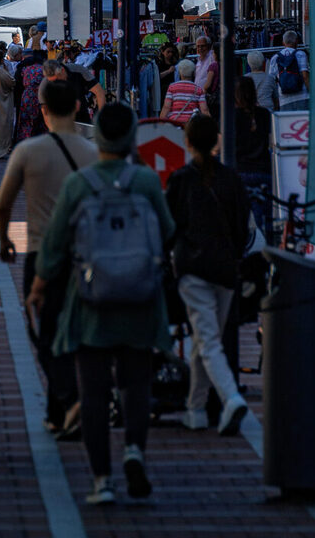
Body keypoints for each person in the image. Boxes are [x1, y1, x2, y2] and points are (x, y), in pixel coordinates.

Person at [27, 103, 175, 505]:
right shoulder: (145, 181)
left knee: (93, 391)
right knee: (136, 382)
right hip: (141, 298)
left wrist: (39, 286)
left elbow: (55, 244)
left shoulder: (80, 184)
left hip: (91, 298)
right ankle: (134, 451)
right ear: (130, 137)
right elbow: (167, 231)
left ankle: (102, 481)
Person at [0, 79, 98, 437]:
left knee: (44, 333)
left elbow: (3, 203)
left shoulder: (28, 150)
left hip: (42, 254)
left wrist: (5, 239)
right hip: (86, 256)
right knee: (80, 334)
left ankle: (67, 401)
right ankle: (62, 410)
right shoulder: (93, 153)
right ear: (77, 108)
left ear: (42, 111)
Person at [166, 115, 250, 436]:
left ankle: (230, 398)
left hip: (193, 270)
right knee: (206, 338)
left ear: (187, 142)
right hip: (226, 270)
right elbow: (243, 227)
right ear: (216, 139)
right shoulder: (232, 180)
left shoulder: (181, 180)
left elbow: (169, 226)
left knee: (207, 339)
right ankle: (196, 409)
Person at [234, 75, 272, 234]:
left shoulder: (231, 116)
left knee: (238, 219)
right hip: (263, 170)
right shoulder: (264, 114)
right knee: (265, 219)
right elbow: (270, 141)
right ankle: (271, 250)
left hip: (240, 171)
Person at [268, 30, 310, 111]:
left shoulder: (275, 58)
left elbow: (272, 80)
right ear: (296, 41)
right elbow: (305, 76)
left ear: (283, 43)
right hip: (302, 96)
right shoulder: (301, 54)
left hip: (284, 98)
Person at [15, 53, 47, 141]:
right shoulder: (43, 69)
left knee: (25, 119)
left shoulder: (26, 69)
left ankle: (25, 138)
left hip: (27, 95)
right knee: (40, 119)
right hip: (39, 94)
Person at [156, 44, 180, 109]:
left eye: (172, 52)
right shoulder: (159, 65)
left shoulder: (176, 64)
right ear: (163, 52)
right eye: (168, 52)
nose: (170, 54)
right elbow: (157, 77)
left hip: (174, 92)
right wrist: (169, 71)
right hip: (163, 92)